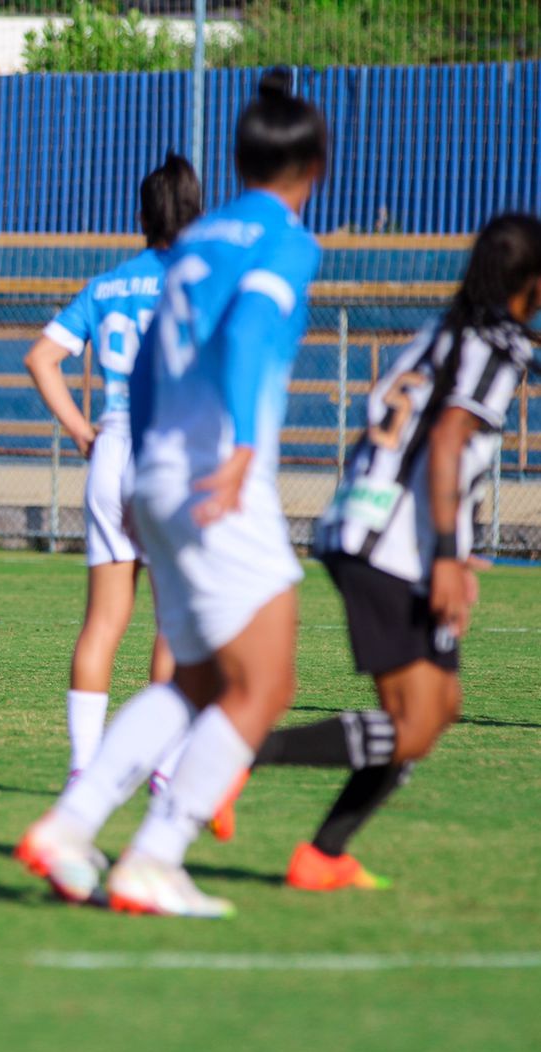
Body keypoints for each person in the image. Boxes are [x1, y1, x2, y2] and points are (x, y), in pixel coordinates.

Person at [18, 69, 328, 918]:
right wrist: (238, 448)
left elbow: (152, 359)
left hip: (145, 462)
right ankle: (155, 853)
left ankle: (75, 825)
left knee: (194, 676)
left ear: (239, 158)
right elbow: (252, 335)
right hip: (215, 472)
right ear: (316, 164)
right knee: (262, 682)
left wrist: (137, 458)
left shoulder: (195, 244)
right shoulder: (286, 241)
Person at [251, 212, 541, 891]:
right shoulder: (499, 345)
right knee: (414, 724)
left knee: (436, 710)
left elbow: (435, 445)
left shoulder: (444, 331)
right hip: (394, 548)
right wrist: (445, 553)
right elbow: (445, 444)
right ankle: (241, 753)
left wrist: (455, 550)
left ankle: (323, 856)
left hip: (376, 529)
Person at [24, 153, 200, 785]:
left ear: (141, 216)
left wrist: (79, 429)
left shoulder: (110, 285)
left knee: (103, 621)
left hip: (112, 449)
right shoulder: (202, 281)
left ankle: (82, 767)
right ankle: (164, 764)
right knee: (173, 619)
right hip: (169, 454)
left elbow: (42, 357)